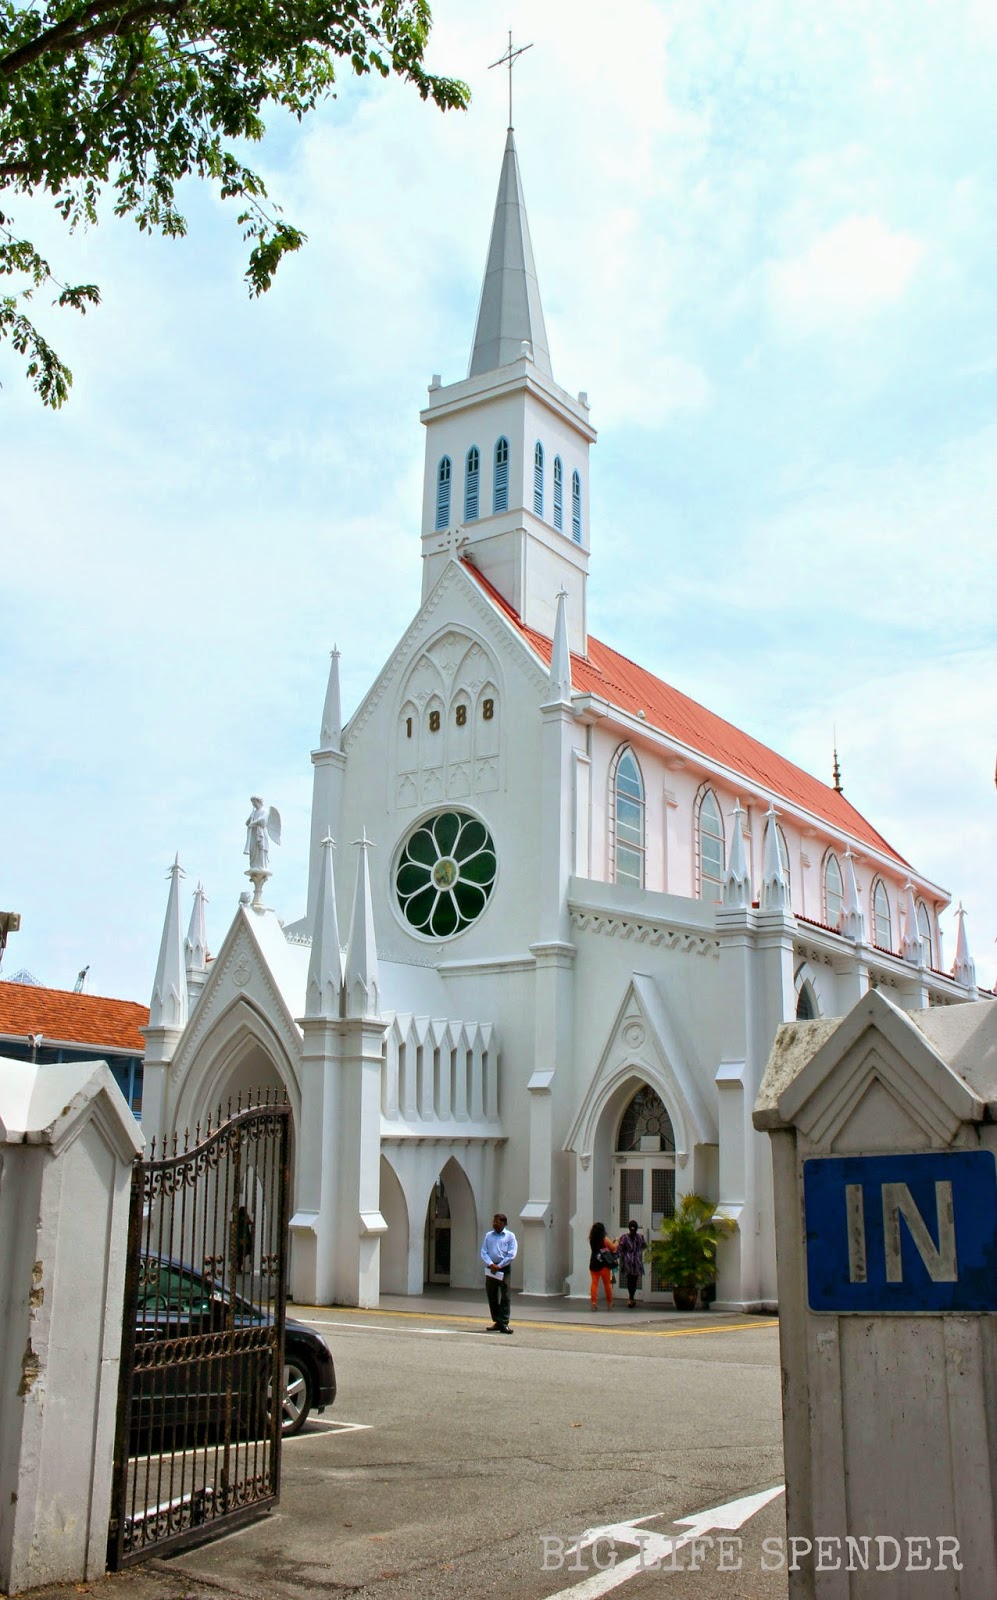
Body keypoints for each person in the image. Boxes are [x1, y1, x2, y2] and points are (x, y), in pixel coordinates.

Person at [480, 1212, 517, 1333]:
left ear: (504, 1223)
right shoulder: (488, 1236)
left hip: (503, 1267)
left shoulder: (510, 1236)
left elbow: (511, 1254)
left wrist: (499, 1265)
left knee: (505, 1295)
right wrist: (491, 1264)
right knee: (492, 1294)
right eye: (494, 1221)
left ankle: (504, 1322)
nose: (495, 1224)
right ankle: (497, 1321)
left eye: (498, 1222)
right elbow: (484, 1251)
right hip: (491, 1268)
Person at [616, 1218, 647, 1307]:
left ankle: (631, 1298)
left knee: (630, 1280)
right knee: (633, 1280)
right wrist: (638, 1252)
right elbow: (644, 1246)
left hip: (629, 1261)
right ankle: (631, 1298)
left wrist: (622, 1255)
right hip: (635, 1261)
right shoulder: (640, 1237)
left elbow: (620, 1249)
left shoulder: (624, 1237)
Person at [588, 1221, 616, 1310]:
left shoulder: (591, 1239)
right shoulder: (605, 1239)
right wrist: (617, 1241)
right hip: (604, 1264)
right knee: (607, 1284)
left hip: (594, 1263)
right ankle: (609, 1302)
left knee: (594, 1283)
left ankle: (593, 1302)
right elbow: (613, 1248)